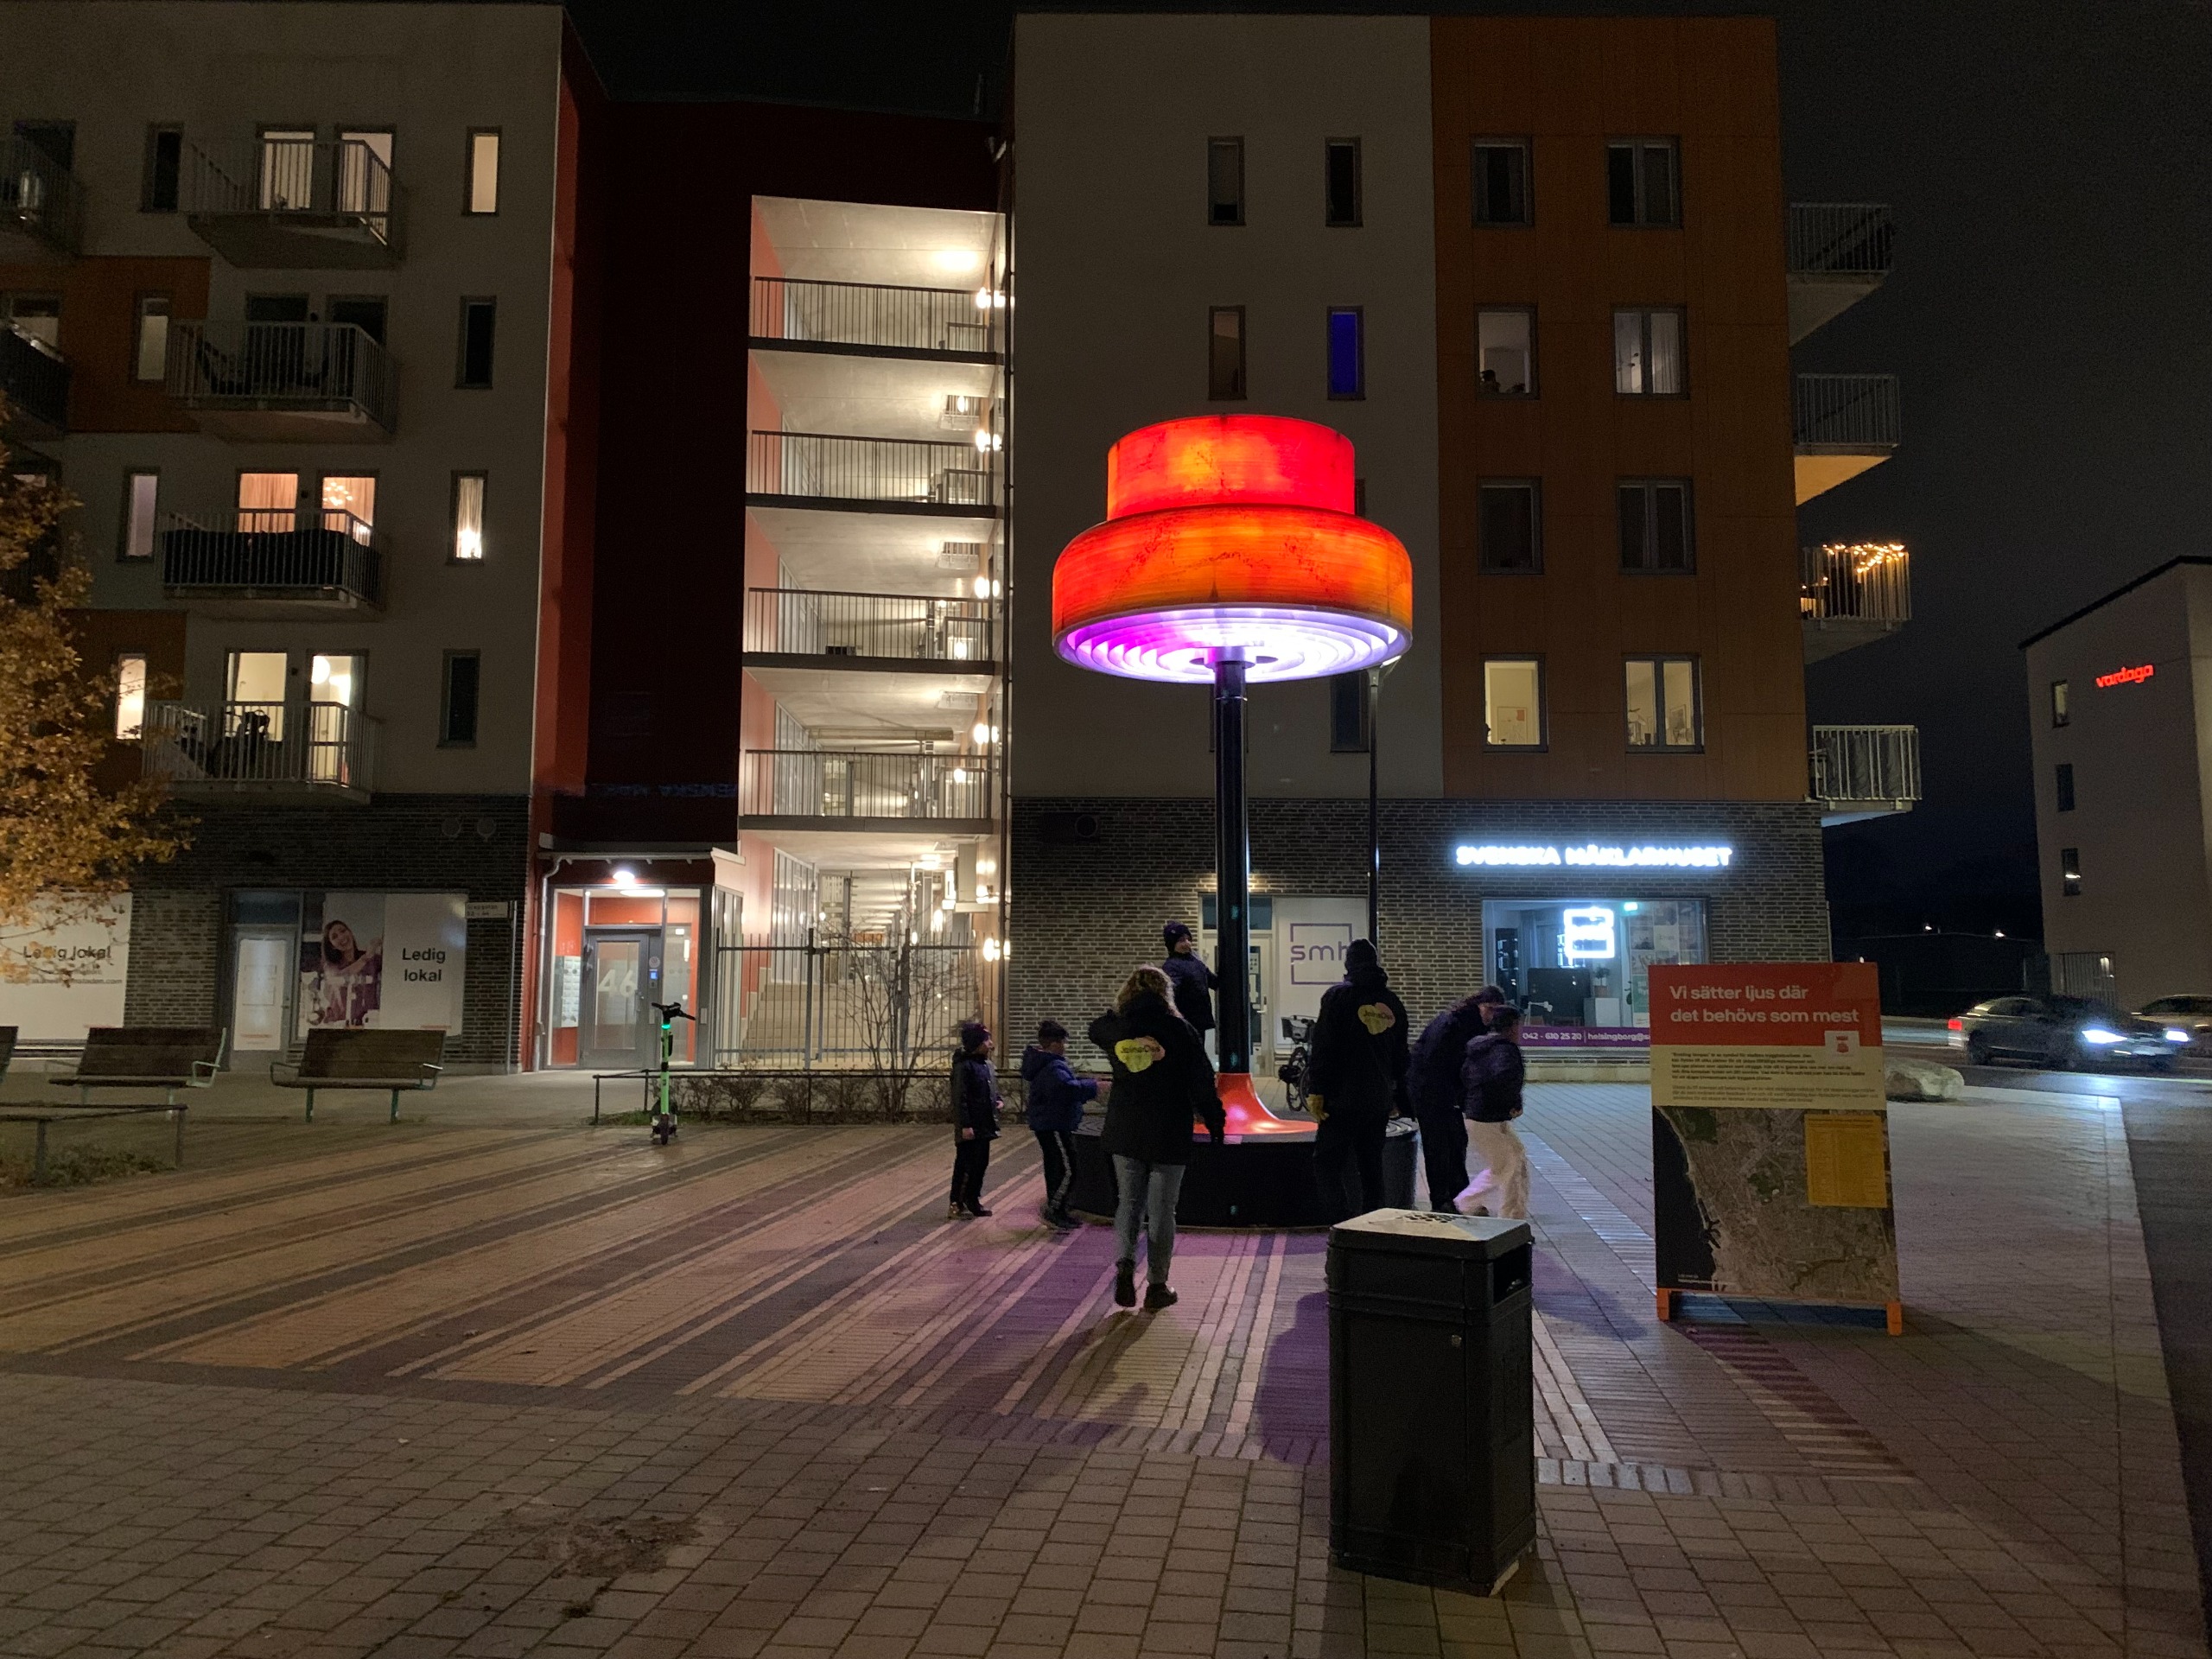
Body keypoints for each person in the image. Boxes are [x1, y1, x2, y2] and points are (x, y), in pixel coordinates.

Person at [1089, 964, 1224, 1310]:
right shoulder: (1180, 1030)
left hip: (1126, 1128)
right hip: (1168, 1130)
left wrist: (1120, 1014)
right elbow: (1202, 1080)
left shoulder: (1118, 1028)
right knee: (1162, 1210)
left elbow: (1095, 1029)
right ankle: (1157, 1286)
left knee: (1128, 1203)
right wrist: (1215, 1122)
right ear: (1167, 993)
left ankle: (1123, 1266)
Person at [1305, 938, 1410, 1222]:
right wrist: (1400, 1099)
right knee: (1371, 1164)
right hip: (1377, 1100)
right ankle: (1374, 1223)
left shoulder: (1337, 997)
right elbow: (1401, 1057)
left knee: (1327, 1162)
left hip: (1341, 1099)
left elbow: (1324, 1047)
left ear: (1348, 964)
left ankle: (1341, 1221)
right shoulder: (1392, 1003)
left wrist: (1317, 1090)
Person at [1406, 987, 1504, 1212]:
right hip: (1432, 1094)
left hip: (1442, 1094)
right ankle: (1443, 1201)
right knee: (1439, 1147)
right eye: (1489, 1009)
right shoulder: (1457, 1025)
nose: (1491, 1016)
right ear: (1479, 1005)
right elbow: (1435, 1063)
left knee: (1455, 1144)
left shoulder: (1466, 1024)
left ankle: (1458, 1198)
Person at [1021, 1019, 1097, 1232]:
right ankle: (1053, 1209)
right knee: (1067, 1169)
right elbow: (1066, 1089)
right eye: (1064, 1042)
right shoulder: (1052, 1066)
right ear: (1055, 1043)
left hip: (1052, 1122)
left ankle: (1060, 1210)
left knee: (1057, 1168)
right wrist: (1093, 1087)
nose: (1066, 1046)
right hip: (1053, 1124)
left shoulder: (1047, 1064)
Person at [1462, 1007, 1529, 1218]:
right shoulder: (1505, 1050)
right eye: (1519, 1025)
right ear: (1512, 1026)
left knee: (1517, 1159)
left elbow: (1465, 1076)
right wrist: (1512, 1102)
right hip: (1488, 1116)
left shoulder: (1478, 1047)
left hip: (1482, 1115)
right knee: (1505, 1166)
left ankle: (1514, 1214)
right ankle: (1464, 1203)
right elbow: (1504, 1078)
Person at [949, 1021, 1001, 1220]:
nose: (990, 1043)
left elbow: (991, 1089)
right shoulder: (964, 1066)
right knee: (966, 1164)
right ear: (976, 1043)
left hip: (985, 1124)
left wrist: (998, 1100)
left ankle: (973, 1199)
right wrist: (965, 1125)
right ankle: (957, 1202)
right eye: (986, 1040)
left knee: (981, 1163)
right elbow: (960, 1098)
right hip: (971, 1126)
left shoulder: (986, 1065)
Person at [1160, 922, 1218, 1041]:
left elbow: (1213, 982)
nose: (1187, 943)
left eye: (1188, 939)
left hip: (1199, 1021)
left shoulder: (1196, 962)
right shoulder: (1171, 967)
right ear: (1172, 944)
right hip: (1184, 1023)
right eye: (1181, 940)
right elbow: (1171, 993)